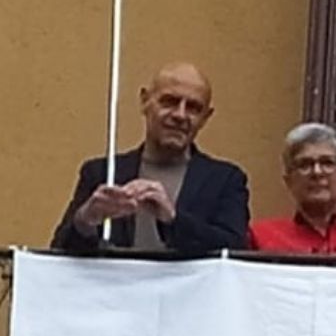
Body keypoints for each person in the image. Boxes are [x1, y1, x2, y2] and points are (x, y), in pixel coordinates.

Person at [51, 61, 249, 253]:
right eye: (169, 102)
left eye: (193, 108)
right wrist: (85, 220)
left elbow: (234, 252)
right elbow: (58, 253)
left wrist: (173, 219)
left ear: (206, 117)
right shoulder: (103, 172)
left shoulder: (225, 180)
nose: (180, 115)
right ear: (145, 101)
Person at [248, 123, 336, 255]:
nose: (317, 172)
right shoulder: (259, 239)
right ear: (288, 181)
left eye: (327, 163)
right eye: (304, 164)